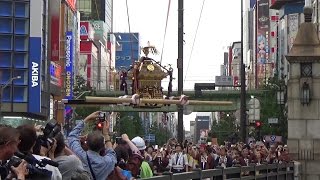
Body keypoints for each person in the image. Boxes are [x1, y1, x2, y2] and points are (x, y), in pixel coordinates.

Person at [68, 111, 117, 180]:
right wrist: (106, 133)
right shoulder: (107, 162)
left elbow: (72, 136)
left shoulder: (80, 155)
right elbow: (111, 153)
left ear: (87, 144)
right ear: (102, 147)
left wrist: (87, 119)